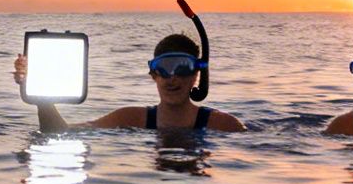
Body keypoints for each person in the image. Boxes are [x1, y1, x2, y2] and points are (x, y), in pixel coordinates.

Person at [14, 34, 247, 134]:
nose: (172, 77)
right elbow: (61, 132)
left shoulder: (224, 125)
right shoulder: (130, 119)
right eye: (164, 68)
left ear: (196, 74)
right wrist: (38, 95)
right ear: (153, 74)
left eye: (182, 67)